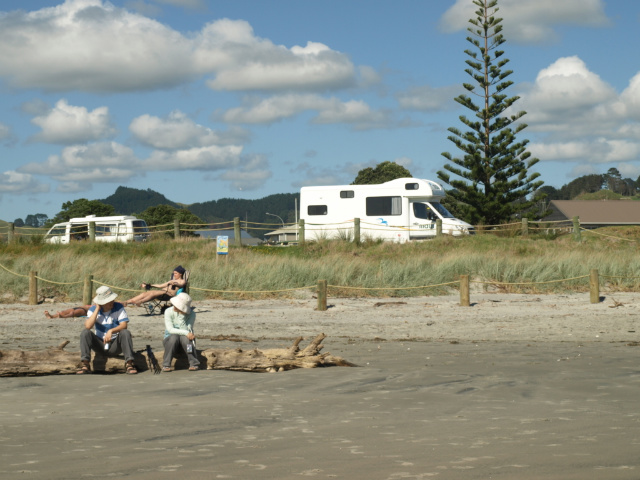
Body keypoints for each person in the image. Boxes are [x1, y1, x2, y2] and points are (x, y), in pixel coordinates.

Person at [77, 285, 137, 375]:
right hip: (100, 344)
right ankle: (85, 364)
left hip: (115, 344)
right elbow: (88, 326)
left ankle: (129, 363)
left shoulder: (118, 307)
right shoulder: (93, 309)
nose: (112, 302)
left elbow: (124, 325)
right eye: (109, 301)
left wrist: (111, 331)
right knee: (85, 333)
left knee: (125, 333)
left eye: (112, 300)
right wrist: (97, 309)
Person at [162, 292, 200, 372]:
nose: (175, 307)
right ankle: (166, 364)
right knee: (174, 336)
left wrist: (182, 317)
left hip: (185, 343)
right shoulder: (168, 311)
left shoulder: (192, 314)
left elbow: (188, 329)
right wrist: (186, 333)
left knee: (185, 339)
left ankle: (194, 362)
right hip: (170, 341)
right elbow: (170, 329)